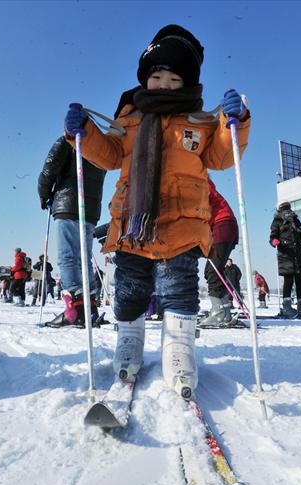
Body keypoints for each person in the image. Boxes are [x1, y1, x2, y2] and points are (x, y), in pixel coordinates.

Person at [64, 24, 251, 398]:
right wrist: (82, 131)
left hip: (183, 224)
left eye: (173, 77)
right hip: (133, 226)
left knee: (179, 290)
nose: (164, 83)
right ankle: (129, 341)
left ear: (188, 83)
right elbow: (110, 154)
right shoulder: (129, 118)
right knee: (130, 290)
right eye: (157, 76)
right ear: (145, 79)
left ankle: (179, 349)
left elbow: (220, 156)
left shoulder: (200, 121)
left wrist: (237, 123)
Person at [38, 136, 106, 327]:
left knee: (68, 257)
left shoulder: (68, 140)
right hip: (90, 209)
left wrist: (44, 194)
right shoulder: (101, 146)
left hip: (67, 205)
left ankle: (74, 309)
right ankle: (89, 308)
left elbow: (49, 168)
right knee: (82, 257)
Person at [270, 202, 301, 319]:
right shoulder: (277, 221)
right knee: (288, 280)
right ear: (279, 210)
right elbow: (273, 235)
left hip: (297, 255)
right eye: (284, 208)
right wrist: (274, 242)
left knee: (299, 280)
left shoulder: (296, 221)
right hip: (285, 254)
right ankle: (287, 308)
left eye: (288, 207)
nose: (287, 210)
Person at [199, 178, 239, 327]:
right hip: (224, 226)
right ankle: (224, 311)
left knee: (212, 271)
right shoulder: (202, 183)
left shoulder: (200, 183)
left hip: (222, 225)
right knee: (216, 270)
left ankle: (219, 312)